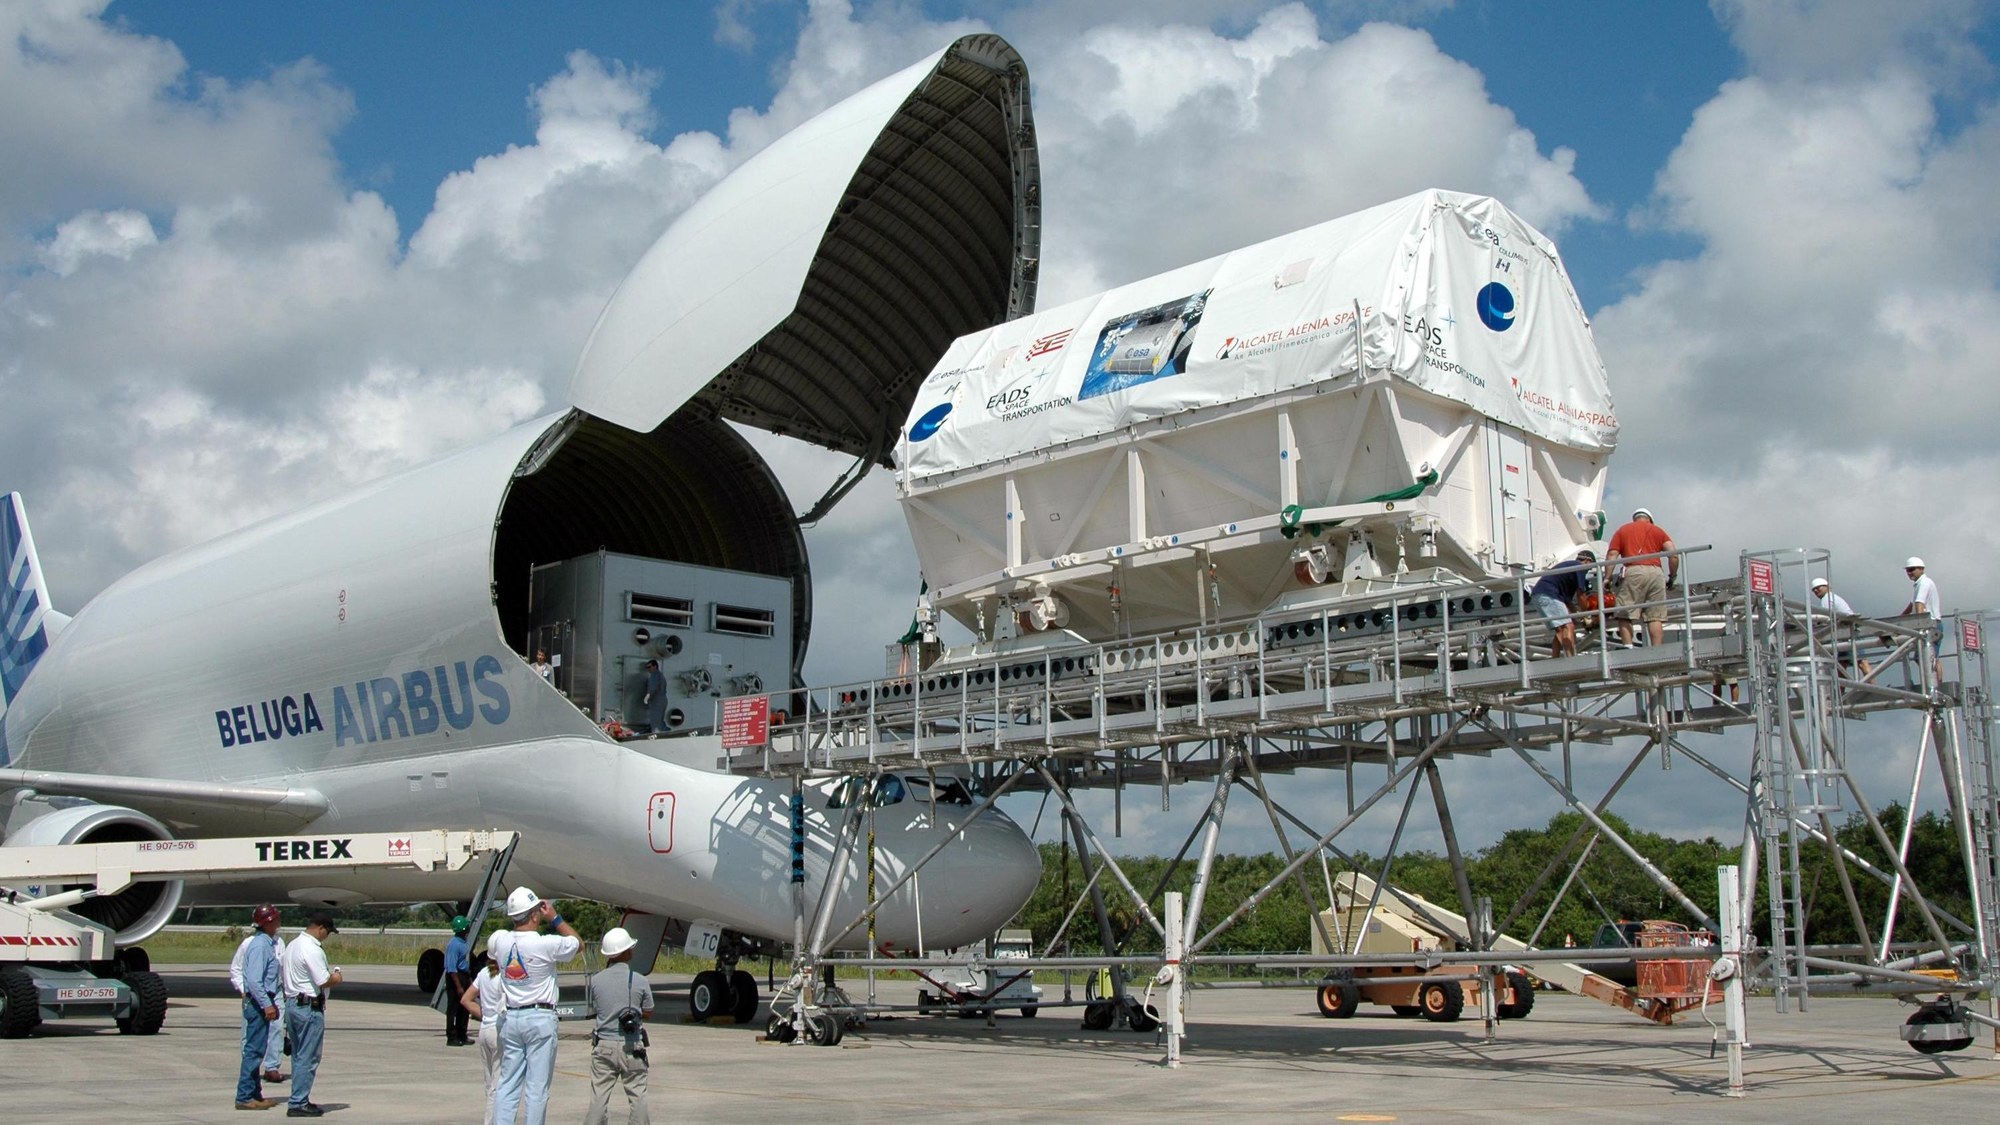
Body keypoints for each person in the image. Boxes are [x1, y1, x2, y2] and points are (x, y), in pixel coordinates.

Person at [487, 887, 580, 1125]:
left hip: (511, 1017)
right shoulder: (545, 944)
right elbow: (576, 943)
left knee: (507, 1084)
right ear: (535, 914)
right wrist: (555, 917)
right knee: (536, 1088)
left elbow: (492, 957)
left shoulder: (499, 939)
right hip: (539, 1016)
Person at [583, 927, 655, 1125]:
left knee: (599, 1097)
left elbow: (598, 1007)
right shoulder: (640, 980)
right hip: (632, 1045)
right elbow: (648, 1011)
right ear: (625, 953)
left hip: (604, 1045)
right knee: (637, 1096)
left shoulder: (596, 981)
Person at [280, 912, 344, 1118]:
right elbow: (323, 979)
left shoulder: (293, 945)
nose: (326, 936)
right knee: (308, 1057)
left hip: (292, 1003)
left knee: (299, 1055)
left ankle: (299, 1098)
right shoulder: (312, 948)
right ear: (321, 928)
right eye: (328, 932)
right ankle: (298, 1101)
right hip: (308, 1007)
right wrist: (336, 977)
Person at [232, 905, 286, 1111]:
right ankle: (245, 1095)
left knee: (258, 1049)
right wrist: (267, 1004)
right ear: (268, 922)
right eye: (276, 919)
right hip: (257, 1003)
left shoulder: (266, 943)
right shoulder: (261, 946)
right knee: (254, 1051)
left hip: (261, 1001)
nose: (279, 922)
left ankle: (255, 1094)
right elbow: (254, 981)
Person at [1607, 507, 1678, 647]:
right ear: (1649, 519)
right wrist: (1673, 576)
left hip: (1633, 570)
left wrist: (1607, 578)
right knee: (1655, 616)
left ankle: (1628, 647)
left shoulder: (1623, 530)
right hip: (1656, 573)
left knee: (1624, 613)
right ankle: (1657, 650)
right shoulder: (1657, 530)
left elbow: (1612, 555)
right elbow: (1673, 554)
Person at [462, 953, 507, 1125]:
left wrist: (486, 1015)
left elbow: (466, 1000)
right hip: (498, 1030)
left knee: (489, 1084)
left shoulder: (484, 973)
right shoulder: (505, 975)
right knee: (498, 1084)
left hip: (485, 1030)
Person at [1529, 549, 1596, 657]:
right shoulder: (1579, 567)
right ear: (1588, 561)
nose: (1588, 571)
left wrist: (1579, 617)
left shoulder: (1569, 570)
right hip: (1549, 594)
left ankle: (1555, 658)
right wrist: (1586, 614)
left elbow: (1568, 602)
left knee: (1560, 627)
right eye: (1591, 567)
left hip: (1541, 595)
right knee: (1567, 626)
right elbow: (1581, 595)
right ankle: (1571, 660)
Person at [1809, 576, 1871, 677]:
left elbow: (1825, 619)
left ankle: (1873, 687)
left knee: (1861, 662)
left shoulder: (1827, 598)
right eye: (1814, 590)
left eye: (1818, 587)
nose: (1816, 590)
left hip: (1849, 633)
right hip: (1844, 635)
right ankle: (1841, 691)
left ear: (1827, 587)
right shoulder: (1831, 597)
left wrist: (1815, 625)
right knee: (1842, 664)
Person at [1903, 556, 1943, 683]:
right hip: (1929, 624)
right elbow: (1912, 605)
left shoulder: (1924, 583)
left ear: (1921, 569)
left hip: (1931, 624)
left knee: (1929, 657)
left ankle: (1937, 684)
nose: (1909, 573)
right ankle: (1934, 682)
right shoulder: (1919, 584)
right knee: (1923, 657)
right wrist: (1900, 619)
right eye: (1908, 570)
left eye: (1912, 569)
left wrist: (1919, 624)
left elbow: (1919, 604)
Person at [444, 914, 474, 1046]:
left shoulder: (463, 942)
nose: (468, 928)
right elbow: (451, 968)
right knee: (453, 1008)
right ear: (463, 929)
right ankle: (451, 1037)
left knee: (465, 1007)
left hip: (464, 975)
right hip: (455, 977)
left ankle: (462, 1034)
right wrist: (459, 986)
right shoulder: (454, 945)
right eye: (467, 926)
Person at [641, 660, 668, 735]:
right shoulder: (661, 675)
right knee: (660, 720)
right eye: (647, 668)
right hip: (663, 700)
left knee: (655, 721)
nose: (648, 669)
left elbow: (653, 687)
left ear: (654, 666)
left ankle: (655, 735)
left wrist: (647, 696)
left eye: (649, 667)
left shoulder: (654, 675)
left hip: (657, 700)